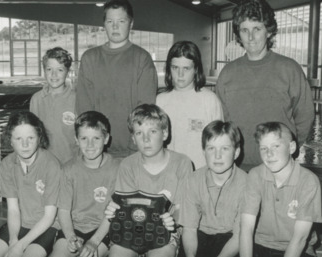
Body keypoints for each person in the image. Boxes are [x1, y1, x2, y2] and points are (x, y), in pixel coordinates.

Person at [215, 0, 314, 171]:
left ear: (268, 31)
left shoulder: (289, 69)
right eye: (245, 30)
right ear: (238, 34)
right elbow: (220, 119)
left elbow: (305, 116)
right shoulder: (227, 74)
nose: (251, 37)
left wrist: (290, 148)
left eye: (257, 29)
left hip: (279, 166)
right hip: (239, 167)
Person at [105, 104, 193, 257]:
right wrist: (113, 212)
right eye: (139, 133)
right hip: (130, 230)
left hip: (165, 232)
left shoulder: (182, 163)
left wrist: (173, 220)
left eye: (152, 131)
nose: (146, 139)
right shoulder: (127, 165)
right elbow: (125, 209)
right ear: (133, 138)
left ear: (164, 134)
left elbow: (183, 208)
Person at [76, 0, 158, 158]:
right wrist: (92, 144)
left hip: (131, 150)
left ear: (131, 24)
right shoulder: (90, 58)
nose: (115, 26)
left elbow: (146, 109)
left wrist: (135, 144)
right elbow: (84, 108)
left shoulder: (142, 58)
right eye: (110, 21)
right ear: (104, 24)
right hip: (97, 150)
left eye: (121, 21)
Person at [0, 111, 61, 257]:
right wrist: (13, 240)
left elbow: (49, 217)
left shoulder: (51, 165)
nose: (25, 144)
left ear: (39, 138)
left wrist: (21, 246)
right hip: (19, 223)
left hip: (47, 226)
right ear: (10, 140)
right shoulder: (7, 164)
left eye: (30, 138)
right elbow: (13, 210)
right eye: (18, 138)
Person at [240, 122, 322, 257]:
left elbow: (300, 239)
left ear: (291, 147)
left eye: (276, 146)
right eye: (263, 148)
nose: (269, 154)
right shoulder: (255, 175)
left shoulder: (308, 181)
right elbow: (246, 228)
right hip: (259, 245)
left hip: (296, 249)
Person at [50, 111, 120, 257]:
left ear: (106, 139)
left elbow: (113, 214)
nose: (90, 145)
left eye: (96, 138)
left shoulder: (116, 169)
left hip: (103, 230)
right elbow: (63, 210)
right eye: (84, 138)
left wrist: (94, 241)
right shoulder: (68, 169)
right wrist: (70, 237)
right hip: (73, 227)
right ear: (76, 139)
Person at [178, 120, 246, 257]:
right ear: (204, 152)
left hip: (231, 240)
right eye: (211, 148)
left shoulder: (247, 184)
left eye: (225, 148)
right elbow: (189, 229)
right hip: (198, 237)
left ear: (236, 152)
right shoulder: (193, 180)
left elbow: (239, 236)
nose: (217, 155)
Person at [157, 41, 223, 170]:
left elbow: (219, 144)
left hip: (200, 175)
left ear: (196, 69)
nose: (180, 74)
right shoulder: (160, 101)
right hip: (168, 175)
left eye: (186, 68)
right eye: (175, 68)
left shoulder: (209, 100)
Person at [30, 47, 77, 164]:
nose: (54, 74)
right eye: (49, 69)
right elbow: (32, 134)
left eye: (60, 70)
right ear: (44, 70)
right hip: (44, 164)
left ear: (67, 71)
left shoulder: (77, 99)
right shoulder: (36, 99)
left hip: (72, 162)